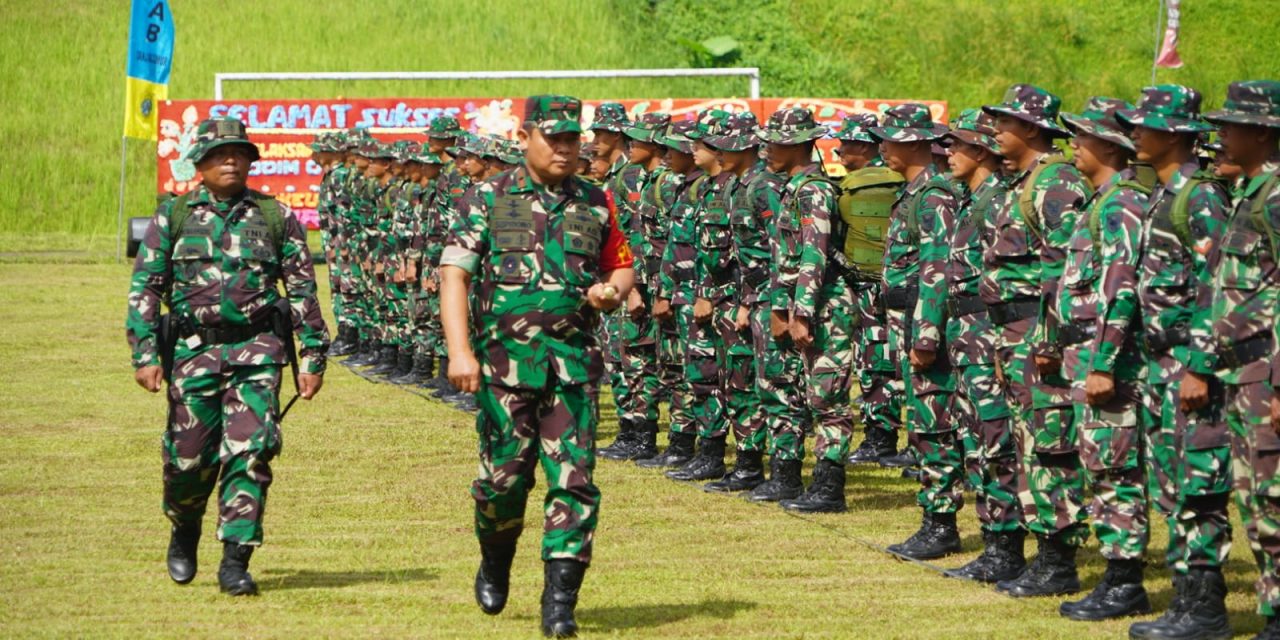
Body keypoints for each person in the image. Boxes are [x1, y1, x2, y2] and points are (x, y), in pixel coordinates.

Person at [438, 95, 635, 638]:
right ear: (524, 138)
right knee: (504, 480)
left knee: (574, 481)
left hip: (573, 366)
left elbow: (622, 267)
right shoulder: (487, 197)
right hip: (505, 369)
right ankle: (495, 561)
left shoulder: (596, 201)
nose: (567, 149)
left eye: (575, 139)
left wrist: (611, 293)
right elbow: (453, 275)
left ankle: (560, 603)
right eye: (555, 138)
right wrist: (460, 352)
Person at [126, 117, 329, 596]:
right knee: (188, 459)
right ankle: (184, 526)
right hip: (193, 353)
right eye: (220, 154)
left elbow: (301, 290)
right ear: (200, 164)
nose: (231, 160)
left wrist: (313, 357)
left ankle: (235, 559)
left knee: (252, 451)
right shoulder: (171, 217)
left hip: (257, 353)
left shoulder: (276, 217)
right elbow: (146, 289)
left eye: (239, 153)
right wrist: (145, 353)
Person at [980, 84, 1092, 597]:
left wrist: (1047, 342)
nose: (996, 132)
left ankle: (1058, 561)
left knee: (1050, 445)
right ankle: (1042, 552)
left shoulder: (1056, 182)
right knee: (1028, 443)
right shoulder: (1022, 182)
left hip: (1040, 333)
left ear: (1031, 128)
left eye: (1005, 122)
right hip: (1016, 333)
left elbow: (1067, 272)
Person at [1054, 97, 1154, 621]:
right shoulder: (1101, 201)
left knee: (1115, 470)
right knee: (1100, 465)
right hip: (1085, 355)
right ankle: (1118, 574)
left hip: (1108, 363)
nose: (1073, 144)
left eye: (1082, 136)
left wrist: (1103, 364)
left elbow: (1123, 291)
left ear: (1110, 147)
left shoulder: (1121, 205)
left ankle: (1124, 582)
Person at [872, 104, 964, 552]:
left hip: (924, 327)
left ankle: (941, 523)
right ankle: (933, 516)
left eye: (889, 139)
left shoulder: (934, 195)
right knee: (924, 421)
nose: (883, 147)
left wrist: (926, 335)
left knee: (935, 425)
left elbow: (937, 267)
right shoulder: (913, 192)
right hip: (905, 320)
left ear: (911, 143)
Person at [939, 108, 1024, 581]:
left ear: (983, 152)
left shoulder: (996, 202)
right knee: (976, 440)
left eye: (959, 146)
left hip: (988, 333)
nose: (949, 154)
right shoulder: (972, 200)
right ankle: (994, 541)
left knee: (996, 441)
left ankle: (1007, 546)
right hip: (965, 334)